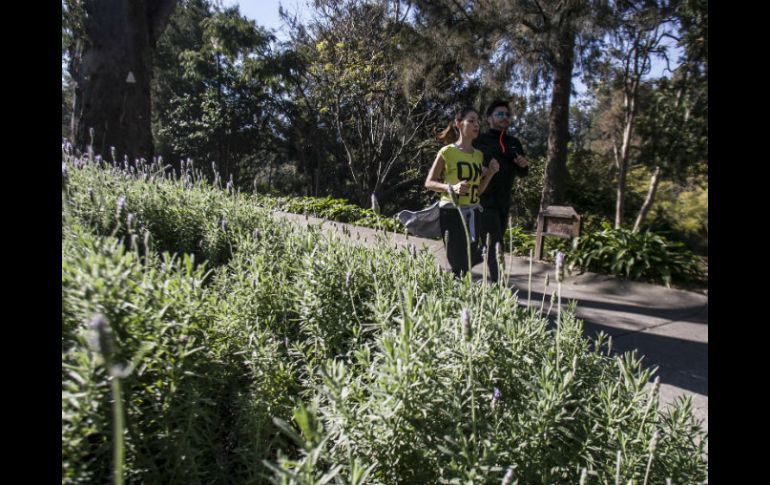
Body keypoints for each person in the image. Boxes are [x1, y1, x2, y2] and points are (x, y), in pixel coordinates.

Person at [424, 106, 500, 278]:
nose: (476, 125)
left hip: (474, 213)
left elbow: (477, 191)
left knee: (466, 263)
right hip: (452, 212)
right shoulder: (447, 152)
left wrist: (490, 174)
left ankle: (455, 289)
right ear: (458, 124)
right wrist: (451, 188)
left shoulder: (478, 155)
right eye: (471, 121)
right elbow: (429, 182)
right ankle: (452, 290)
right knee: (458, 263)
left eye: (478, 121)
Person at [473, 99, 530, 282]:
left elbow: (523, 172)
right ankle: (500, 288)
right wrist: (483, 170)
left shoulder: (514, 142)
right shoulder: (479, 141)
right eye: (499, 114)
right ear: (489, 118)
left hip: (504, 202)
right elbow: (470, 166)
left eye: (507, 114)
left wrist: (523, 165)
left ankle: (461, 265)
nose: (504, 117)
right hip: (483, 200)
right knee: (496, 245)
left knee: (489, 246)